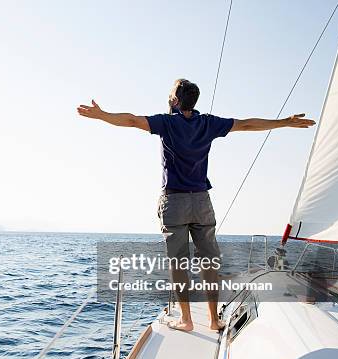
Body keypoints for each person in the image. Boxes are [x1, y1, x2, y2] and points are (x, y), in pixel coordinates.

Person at [77, 78, 316, 331]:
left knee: (178, 263)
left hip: (175, 201)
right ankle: (214, 320)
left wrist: (102, 115)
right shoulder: (208, 123)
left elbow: (132, 120)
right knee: (209, 262)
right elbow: (247, 124)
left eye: (170, 95)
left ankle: (187, 320)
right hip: (202, 201)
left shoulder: (167, 123)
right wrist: (284, 122)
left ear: (176, 100)